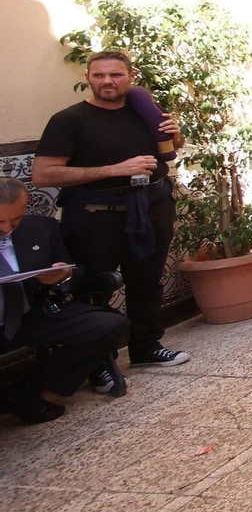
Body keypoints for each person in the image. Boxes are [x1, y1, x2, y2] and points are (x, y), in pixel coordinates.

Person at [32, 50, 190, 369]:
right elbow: (43, 174)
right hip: (95, 214)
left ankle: (145, 346)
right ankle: (98, 364)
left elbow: (172, 151)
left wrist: (175, 133)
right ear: (87, 78)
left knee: (146, 280)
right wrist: (113, 169)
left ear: (131, 77)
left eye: (116, 75)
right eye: (99, 75)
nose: (107, 81)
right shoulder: (69, 120)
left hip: (152, 206)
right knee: (94, 286)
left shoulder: (142, 111)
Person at [0, 177, 130, 424]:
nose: (6, 228)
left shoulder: (41, 228)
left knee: (110, 325)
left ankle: (24, 392)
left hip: (30, 313)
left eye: (14, 220)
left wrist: (63, 275)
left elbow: (74, 270)